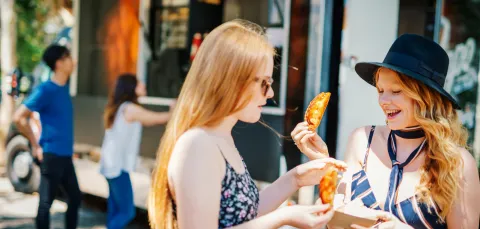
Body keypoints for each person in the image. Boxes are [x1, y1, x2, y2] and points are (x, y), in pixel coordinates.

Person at [147, 19, 347, 229]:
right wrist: (283, 217)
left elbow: (245, 212)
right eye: (264, 83)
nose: (270, 93)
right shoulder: (198, 144)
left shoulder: (218, 137)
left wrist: (295, 179)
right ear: (232, 81)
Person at [292, 34, 480, 228]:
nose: (383, 101)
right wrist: (323, 161)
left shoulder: (458, 164)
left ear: (427, 96)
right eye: (381, 91)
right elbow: (333, 217)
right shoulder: (362, 139)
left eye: (396, 91)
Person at [13, 45, 81, 229]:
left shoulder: (64, 87)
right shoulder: (46, 90)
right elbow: (19, 117)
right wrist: (35, 145)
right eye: (69, 57)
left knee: (75, 198)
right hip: (51, 155)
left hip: (65, 155)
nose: (73, 61)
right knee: (46, 204)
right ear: (59, 63)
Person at [99, 73, 174, 229]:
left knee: (115, 209)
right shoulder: (130, 108)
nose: (143, 86)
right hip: (117, 168)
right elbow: (153, 119)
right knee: (127, 212)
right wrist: (174, 111)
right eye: (139, 84)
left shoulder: (120, 107)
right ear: (131, 88)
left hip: (111, 165)